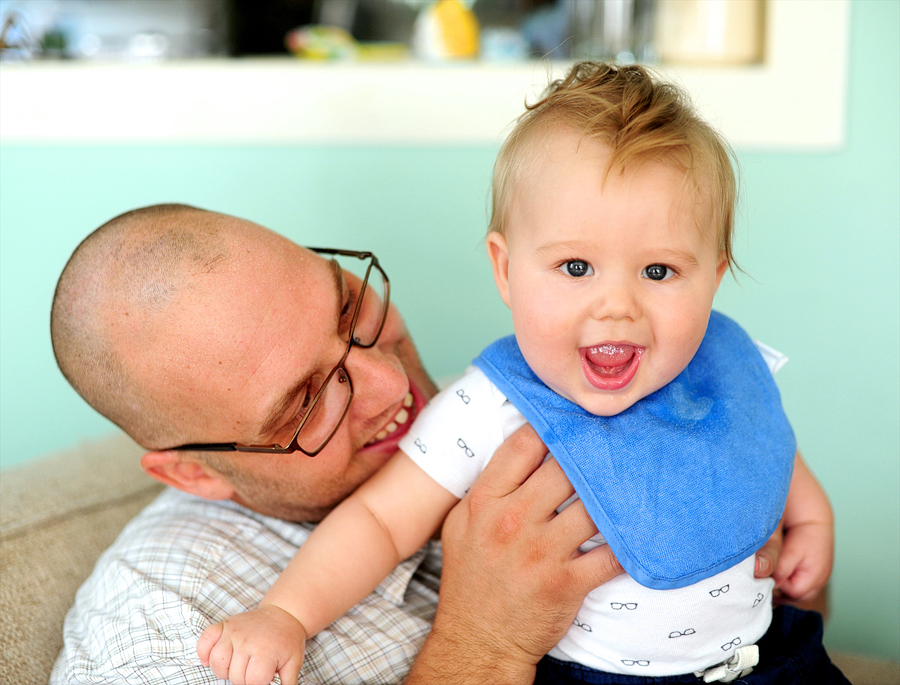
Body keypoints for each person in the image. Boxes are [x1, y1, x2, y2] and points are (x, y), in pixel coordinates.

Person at [198, 62, 845, 685]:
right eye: (575, 267)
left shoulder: (721, 362)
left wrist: (812, 526)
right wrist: (286, 613)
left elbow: (769, 447)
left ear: (713, 275)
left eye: (659, 271)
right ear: (506, 270)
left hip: (769, 659)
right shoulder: (490, 405)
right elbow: (379, 521)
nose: (617, 305)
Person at [48, 203, 634, 685]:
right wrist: (482, 646)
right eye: (304, 404)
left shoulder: (498, 404)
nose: (392, 383)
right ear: (194, 475)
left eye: (351, 310)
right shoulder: (164, 636)